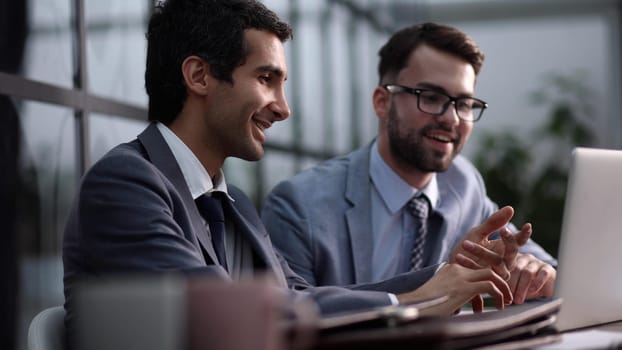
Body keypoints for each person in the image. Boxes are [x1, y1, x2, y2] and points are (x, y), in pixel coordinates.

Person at [63, 2, 527, 346]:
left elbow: (306, 298)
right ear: (199, 76)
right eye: (267, 79)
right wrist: (416, 300)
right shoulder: (125, 183)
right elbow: (235, 320)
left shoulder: (233, 205)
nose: (283, 109)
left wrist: (445, 278)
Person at [261, 22, 557, 306]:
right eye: (430, 97)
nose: (451, 118)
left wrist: (533, 269)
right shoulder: (299, 205)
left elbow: (551, 270)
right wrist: (435, 283)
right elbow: (288, 314)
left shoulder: (465, 185)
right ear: (382, 102)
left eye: (464, 104)